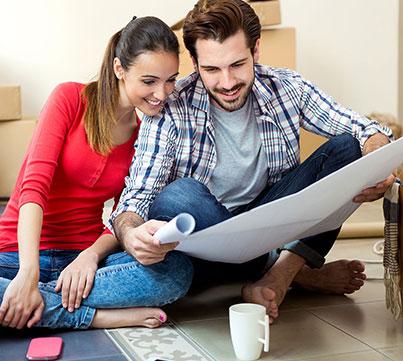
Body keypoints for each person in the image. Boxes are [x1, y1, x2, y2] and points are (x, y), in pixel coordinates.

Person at [110, 0, 394, 322]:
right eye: (212, 69)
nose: (228, 82)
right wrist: (131, 233)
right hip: (206, 242)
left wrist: (375, 163)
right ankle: (290, 271)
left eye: (237, 65)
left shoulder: (287, 87)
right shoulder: (172, 109)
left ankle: (279, 275)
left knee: (347, 150)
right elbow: (136, 198)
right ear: (194, 61)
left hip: (268, 223)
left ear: (256, 50)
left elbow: (367, 130)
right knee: (179, 196)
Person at [0, 16, 193, 330]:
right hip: (15, 254)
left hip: (83, 260)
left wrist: (89, 256)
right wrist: (27, 274)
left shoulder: (145, 137)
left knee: (176, 272)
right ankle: (91, 317)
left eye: (170, 79)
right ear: (120, 68)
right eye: (149, 81)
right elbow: (32, 189)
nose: (163, 92)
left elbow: (122, 214)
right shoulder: (69, 99)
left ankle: (27, 307)